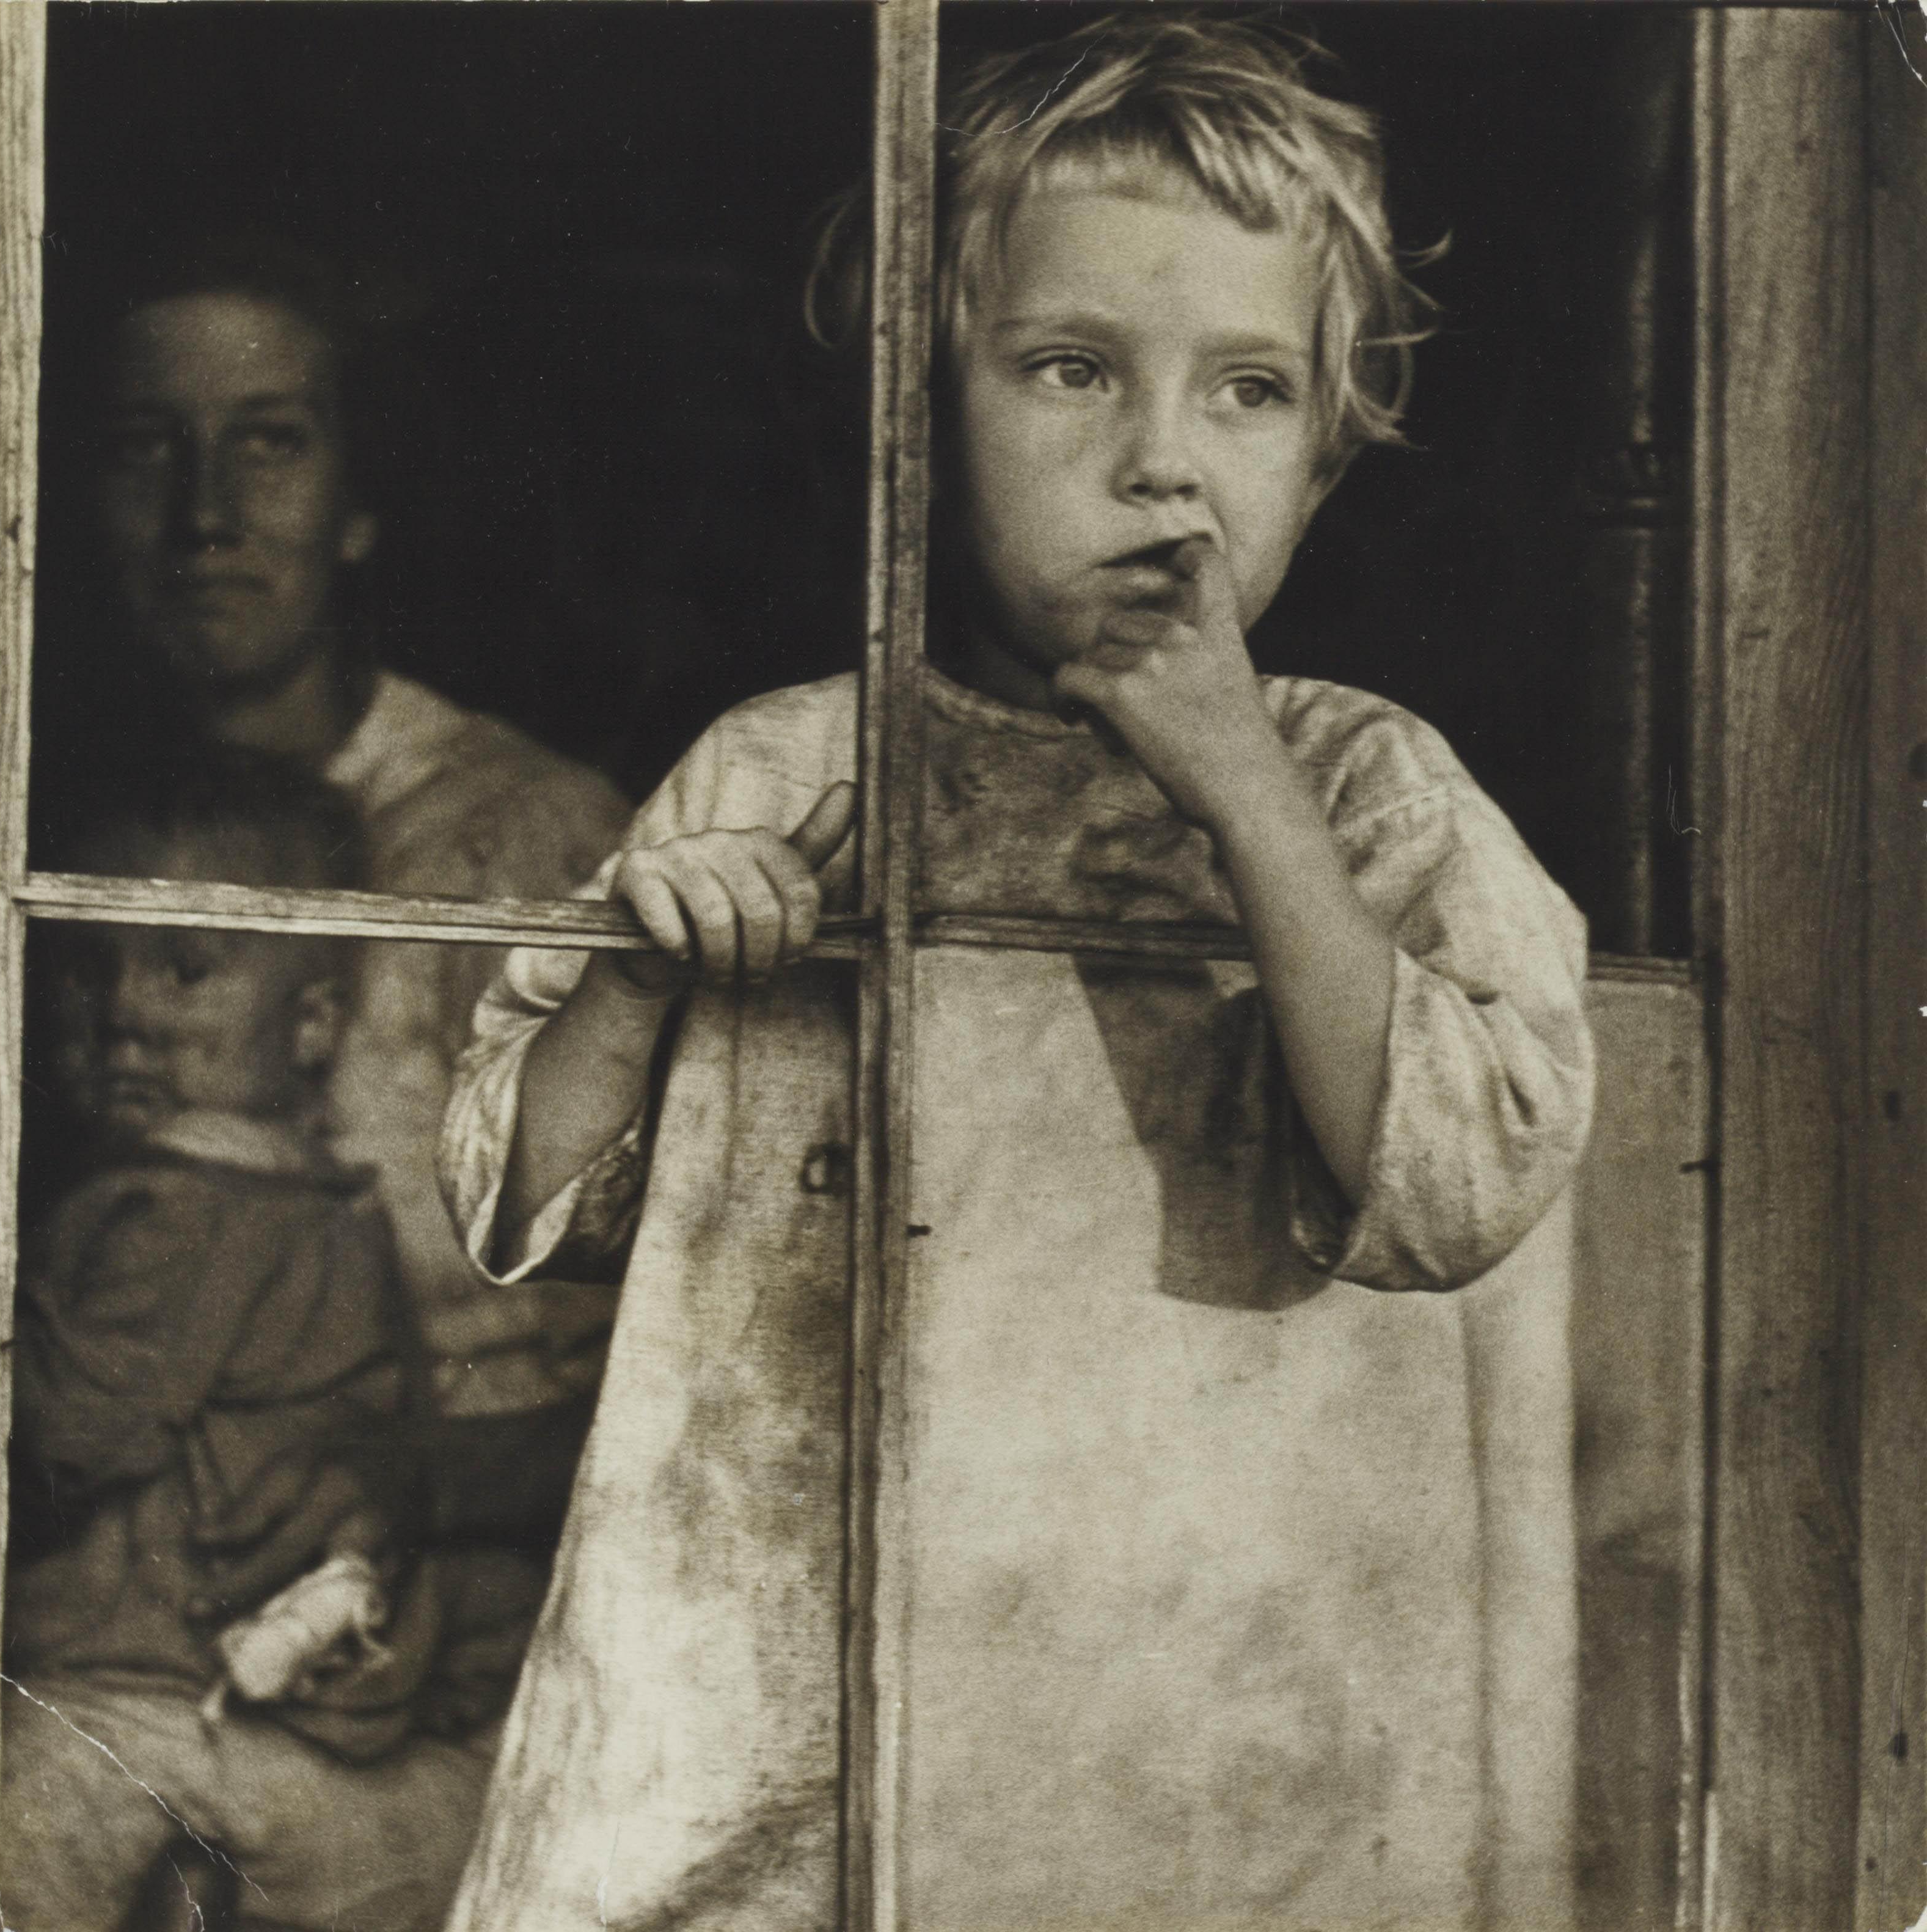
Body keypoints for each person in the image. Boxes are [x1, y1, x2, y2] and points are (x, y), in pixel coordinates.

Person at [439, 17, 1596, 1930]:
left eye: (1246, 392)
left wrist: (1239, 786)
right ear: (921, 403)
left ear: (1328, 446)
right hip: (778, 1699)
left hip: (1192, 1731)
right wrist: (644, 976)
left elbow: (1464, 1181)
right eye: (1070, 368)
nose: (1162, 465)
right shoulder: (784, 768)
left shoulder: (1369, 788)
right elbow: (510, 1191)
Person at [71, 235, 632, 1521]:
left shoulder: (521, 836)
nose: (204, 515)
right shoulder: (54, 828)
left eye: (270, 442)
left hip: (452, 1571)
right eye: (147, 445)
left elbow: (645, 1345)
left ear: (361, 503)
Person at [0, 753, 525, 1932]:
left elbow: (65, 1433)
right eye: (92, 966)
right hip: (265, 1703)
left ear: (313, 1023)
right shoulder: (334, 1207)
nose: (126, 1009)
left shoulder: (165, 1210)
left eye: (185, 969)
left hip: (122, 1696)